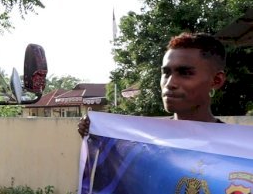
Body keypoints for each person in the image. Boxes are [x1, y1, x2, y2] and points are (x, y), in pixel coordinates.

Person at [78, 32, 227, 137]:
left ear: (216, 81)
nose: (170, 83)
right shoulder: (147, 140)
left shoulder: (240, 148)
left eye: (185, 73)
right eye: (166, 73)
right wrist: (96, 132)